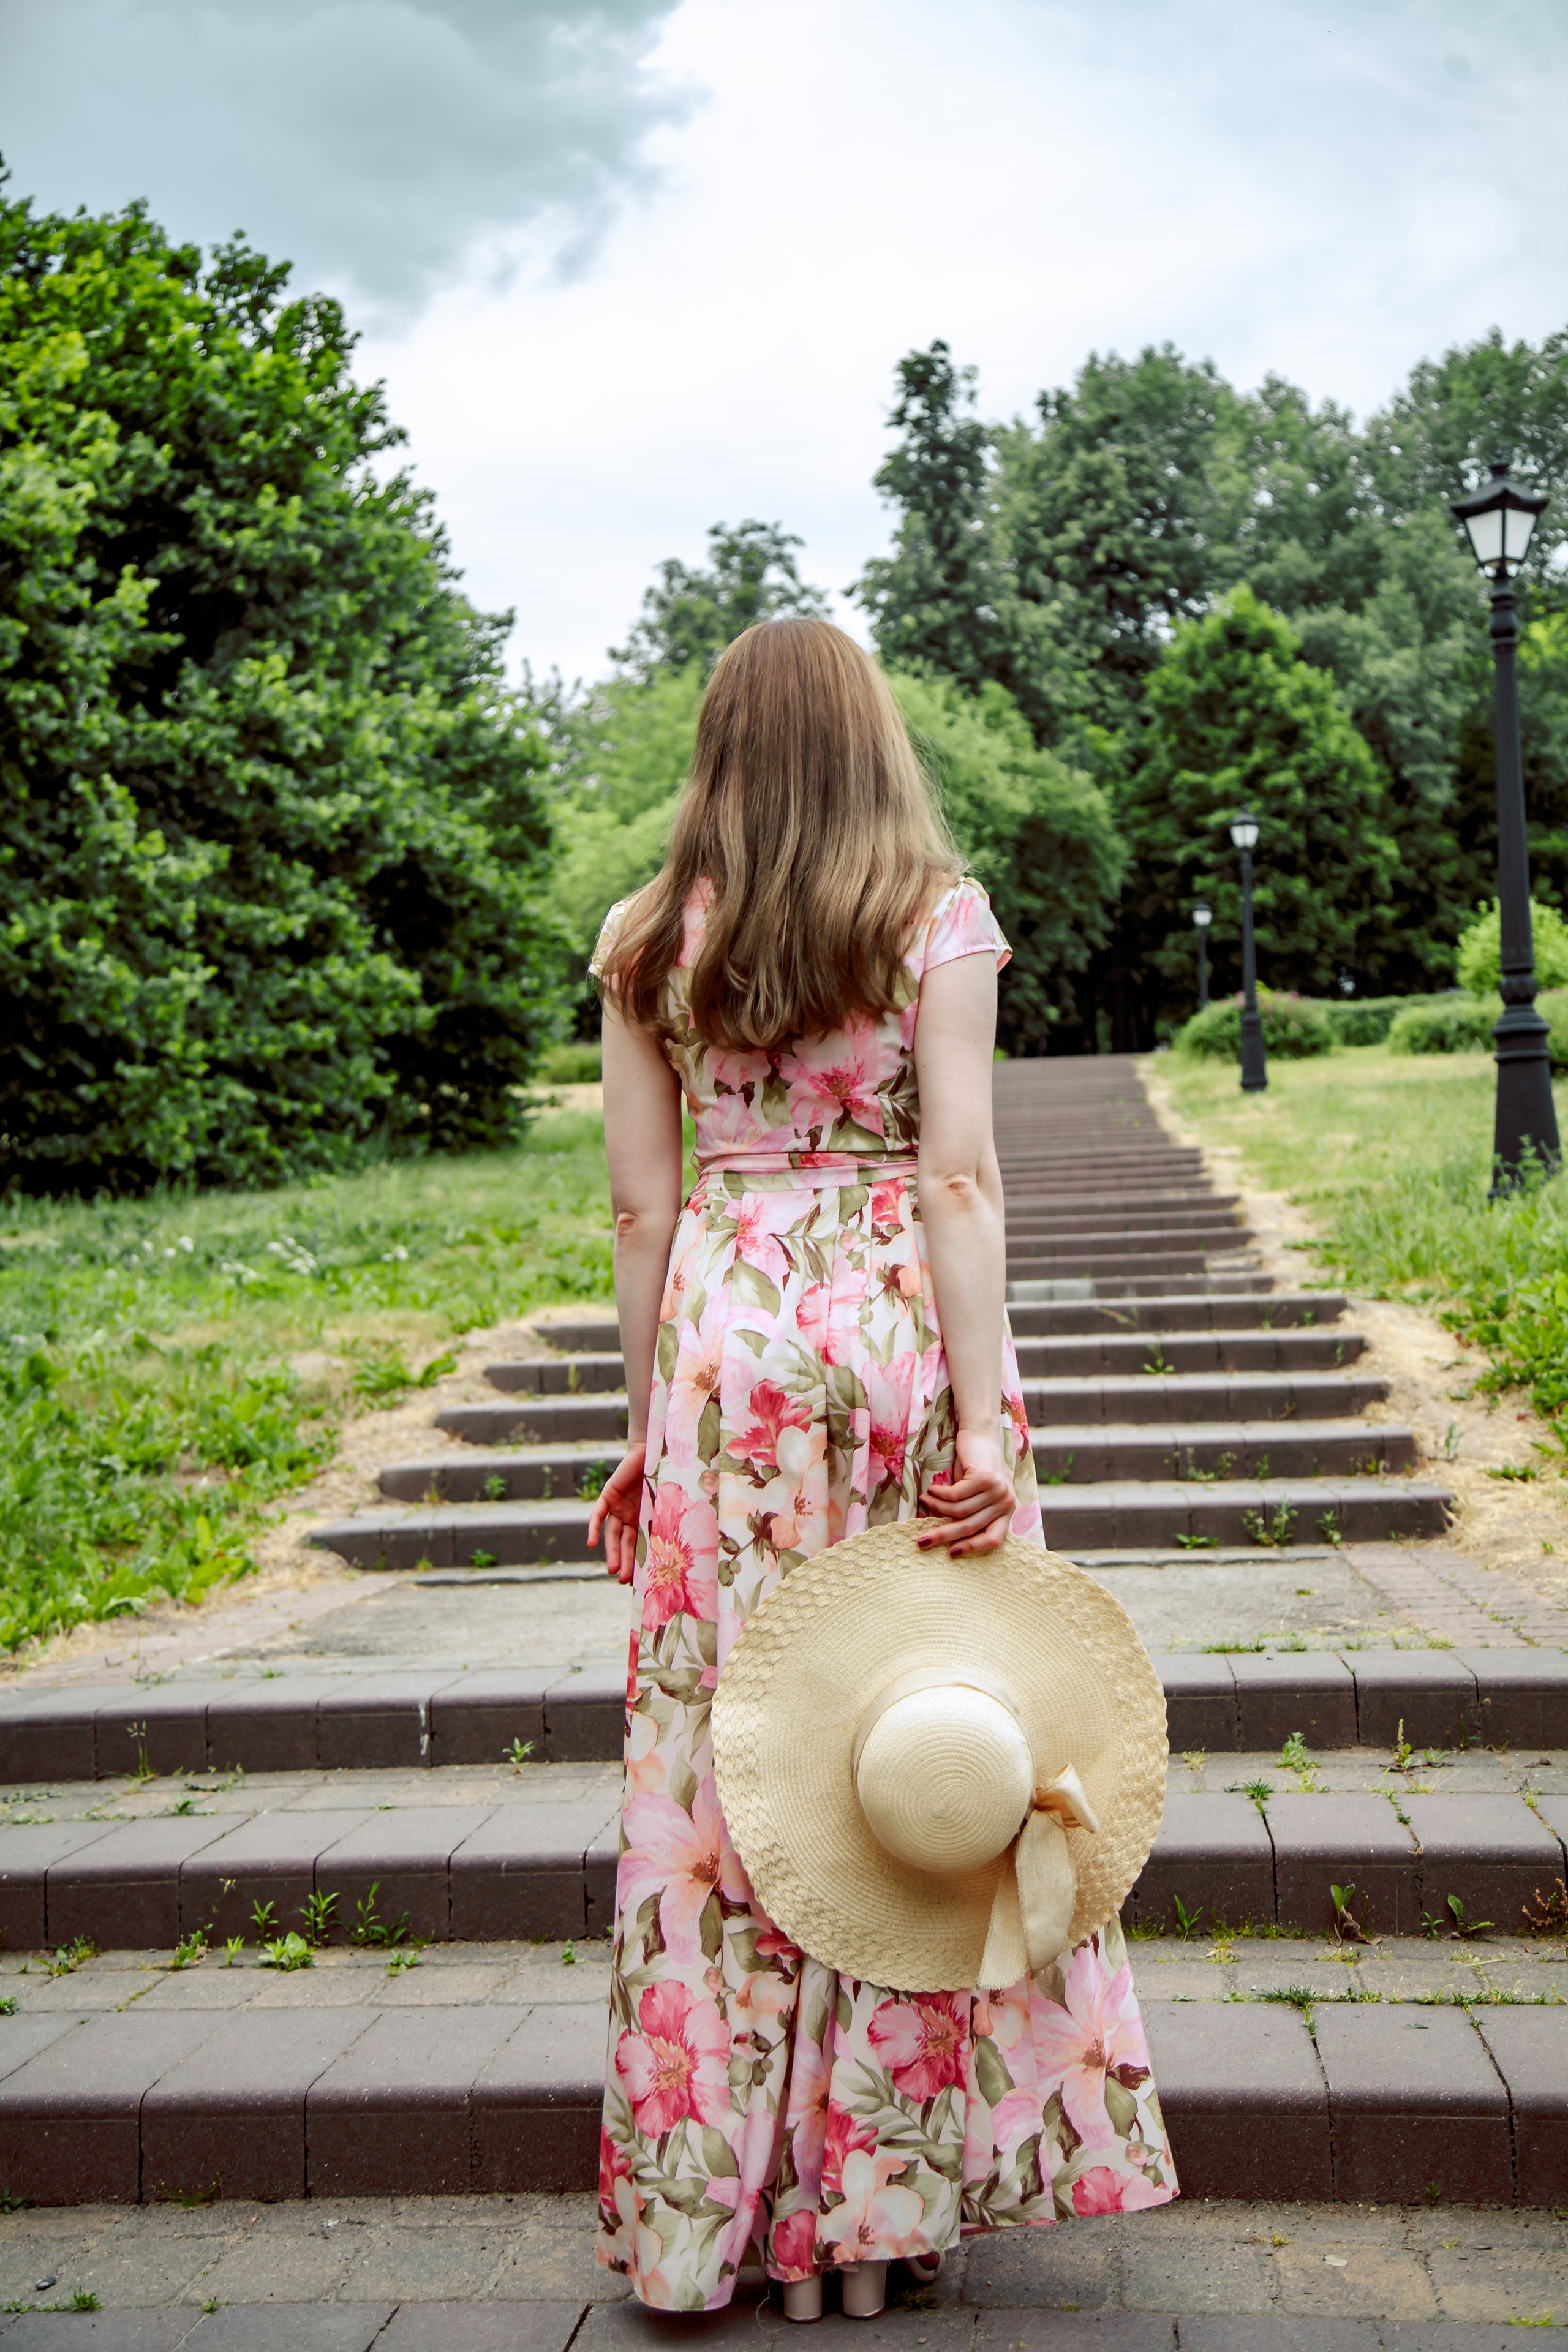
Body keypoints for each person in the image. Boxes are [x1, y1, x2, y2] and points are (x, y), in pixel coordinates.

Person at [587, 617, 1175, 2318]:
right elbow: (961, 1181)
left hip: (725, 1361)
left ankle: (732, 2220)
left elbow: (640, 1208)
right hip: (896, 1346)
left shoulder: (643, 939)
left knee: (732, 1773)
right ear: (870, 740)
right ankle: (885, 2215)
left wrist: (641, 1431)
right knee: (921, 1742)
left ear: (718, 747)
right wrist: (987, 1423)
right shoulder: (935, 916)